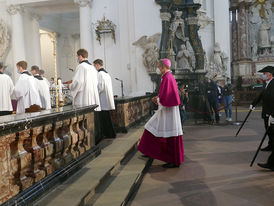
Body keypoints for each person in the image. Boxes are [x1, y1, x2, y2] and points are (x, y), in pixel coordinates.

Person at [138, 59, 184, 168]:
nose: (158, 69)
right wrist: (158, 98)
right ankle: (148, 150)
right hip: (165, 110)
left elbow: (166, 97)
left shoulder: (167, 77)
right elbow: (166, 94)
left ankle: (174, 160)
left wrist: (158, 100)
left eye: (159, 67)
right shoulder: (167, 77)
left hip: (168, 112)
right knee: (150, 127)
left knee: (169, 134)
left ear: (163, 67)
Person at [250, 66, 274, 165]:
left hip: (272, 113)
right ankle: (271, 145)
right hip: (266, 112)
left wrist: (273, 115)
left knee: (272, 132)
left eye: (264, 73)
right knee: (268, 131)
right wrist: (253, 103)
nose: (263, 75)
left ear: (270, 74)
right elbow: (261, 95)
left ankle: (271, 162)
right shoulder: (266, 83)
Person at [93, 59, 116, 140]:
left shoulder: (100, 74)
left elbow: (100, 87)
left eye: (94, 65)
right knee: (107, 117)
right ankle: (111, 133)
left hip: (102, 99)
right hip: (106, 98)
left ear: (97, 65)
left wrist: (94, 93)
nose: (94, 67)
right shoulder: (107, 74)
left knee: (104, 118)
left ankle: (107, 134)